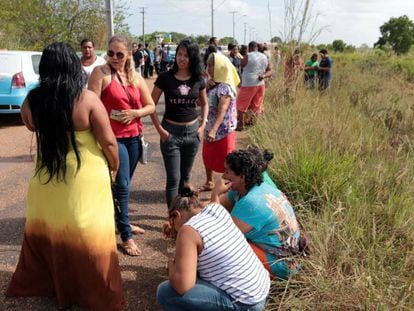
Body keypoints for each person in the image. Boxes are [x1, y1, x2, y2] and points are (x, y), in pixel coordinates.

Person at [6, 42, 124, 309]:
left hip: (47, 177)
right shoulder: (87, 99)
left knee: (50, 231)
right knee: (88, 236)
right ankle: (93, 290)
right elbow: (108, 143)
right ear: (72, 65)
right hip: (85, 179)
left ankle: (53, 285)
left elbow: (30, 125)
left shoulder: (32, 100)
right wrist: (114, 165)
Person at [88, 35, 156, 256]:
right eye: (110, 53)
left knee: (122, 185)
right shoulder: (101, 73)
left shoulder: (134, 77)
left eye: (119, 54)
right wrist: (110, 117)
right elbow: (91, 104)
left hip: (135, 137)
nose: (114, 58)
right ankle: (126, 234)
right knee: (123, 186)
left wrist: (134, 113)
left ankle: (120, 222)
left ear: (128, 54)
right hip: (113, 138)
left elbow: (151, 106)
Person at [157, 187, 270, 310]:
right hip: (261, 290)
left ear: (177, 215)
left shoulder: (188, 230)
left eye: (172, 222)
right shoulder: (216, 208)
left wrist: (170, 264)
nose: (173, 228)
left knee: (165, 292)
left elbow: (182, 286)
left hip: (245, 303)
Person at [211, 149, 302, 280]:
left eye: (227, 171)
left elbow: (218, 236)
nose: (223, 176)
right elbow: (216, 209)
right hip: (288, 256)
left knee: (223, 250)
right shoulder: (254, 188)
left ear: (242, 176)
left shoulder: (251, 202)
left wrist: (215, 194)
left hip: (282, 266)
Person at [150, 38, 209, 208]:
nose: (181, 58)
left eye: (186, 55)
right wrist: (160, 130)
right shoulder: (165, 78)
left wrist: (203, 125)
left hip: (193, 134)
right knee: (173, 179)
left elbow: (205, 104)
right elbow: (150, 105)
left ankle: (183, 217)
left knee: (185, 178)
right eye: (179, 54)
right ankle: (172, 218)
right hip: (170, 134)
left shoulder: (198, 79)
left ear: (193, 58)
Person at [199, 52, 239, 192]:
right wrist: (207, 87)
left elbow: (222, 109)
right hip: (210, 126)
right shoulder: (213, 85)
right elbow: (200, 102)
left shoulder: (225, 87)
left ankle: (226, 186)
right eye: (208, 65)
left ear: (221, 67)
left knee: (226, 160)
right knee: (207, 156)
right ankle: (209, 182)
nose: (208, 68)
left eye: (212, 65)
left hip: (223, 130)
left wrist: (214, 129)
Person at [236, 41, 272, 131]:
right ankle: (253, 123)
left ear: (250, 47)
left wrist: (241, 59)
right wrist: (263, 75)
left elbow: (242, 65)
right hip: (261, 84)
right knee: (257, 104)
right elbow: (270, 70)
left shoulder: (248, 55)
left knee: (241, 104)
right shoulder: (264, 56)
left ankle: (241, 125)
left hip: (249, 83)